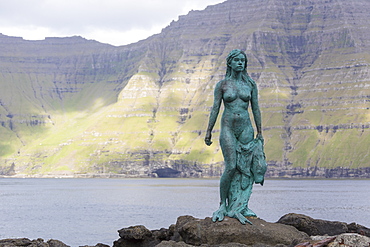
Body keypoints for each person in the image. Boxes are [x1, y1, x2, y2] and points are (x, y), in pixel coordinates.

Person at [205, 49, 265, 224]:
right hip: (228, 128)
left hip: (246, 128)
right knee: (231, 166)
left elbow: (255, 108)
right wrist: (209, 130)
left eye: (243, 60)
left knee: (245, 169)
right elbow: (215, 108)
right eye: (237, 60)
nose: (240, 63)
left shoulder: (251, 85)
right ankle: (223, 205)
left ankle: (241, 206)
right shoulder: (222, 85)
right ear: (229, 63)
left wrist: (260, 131)